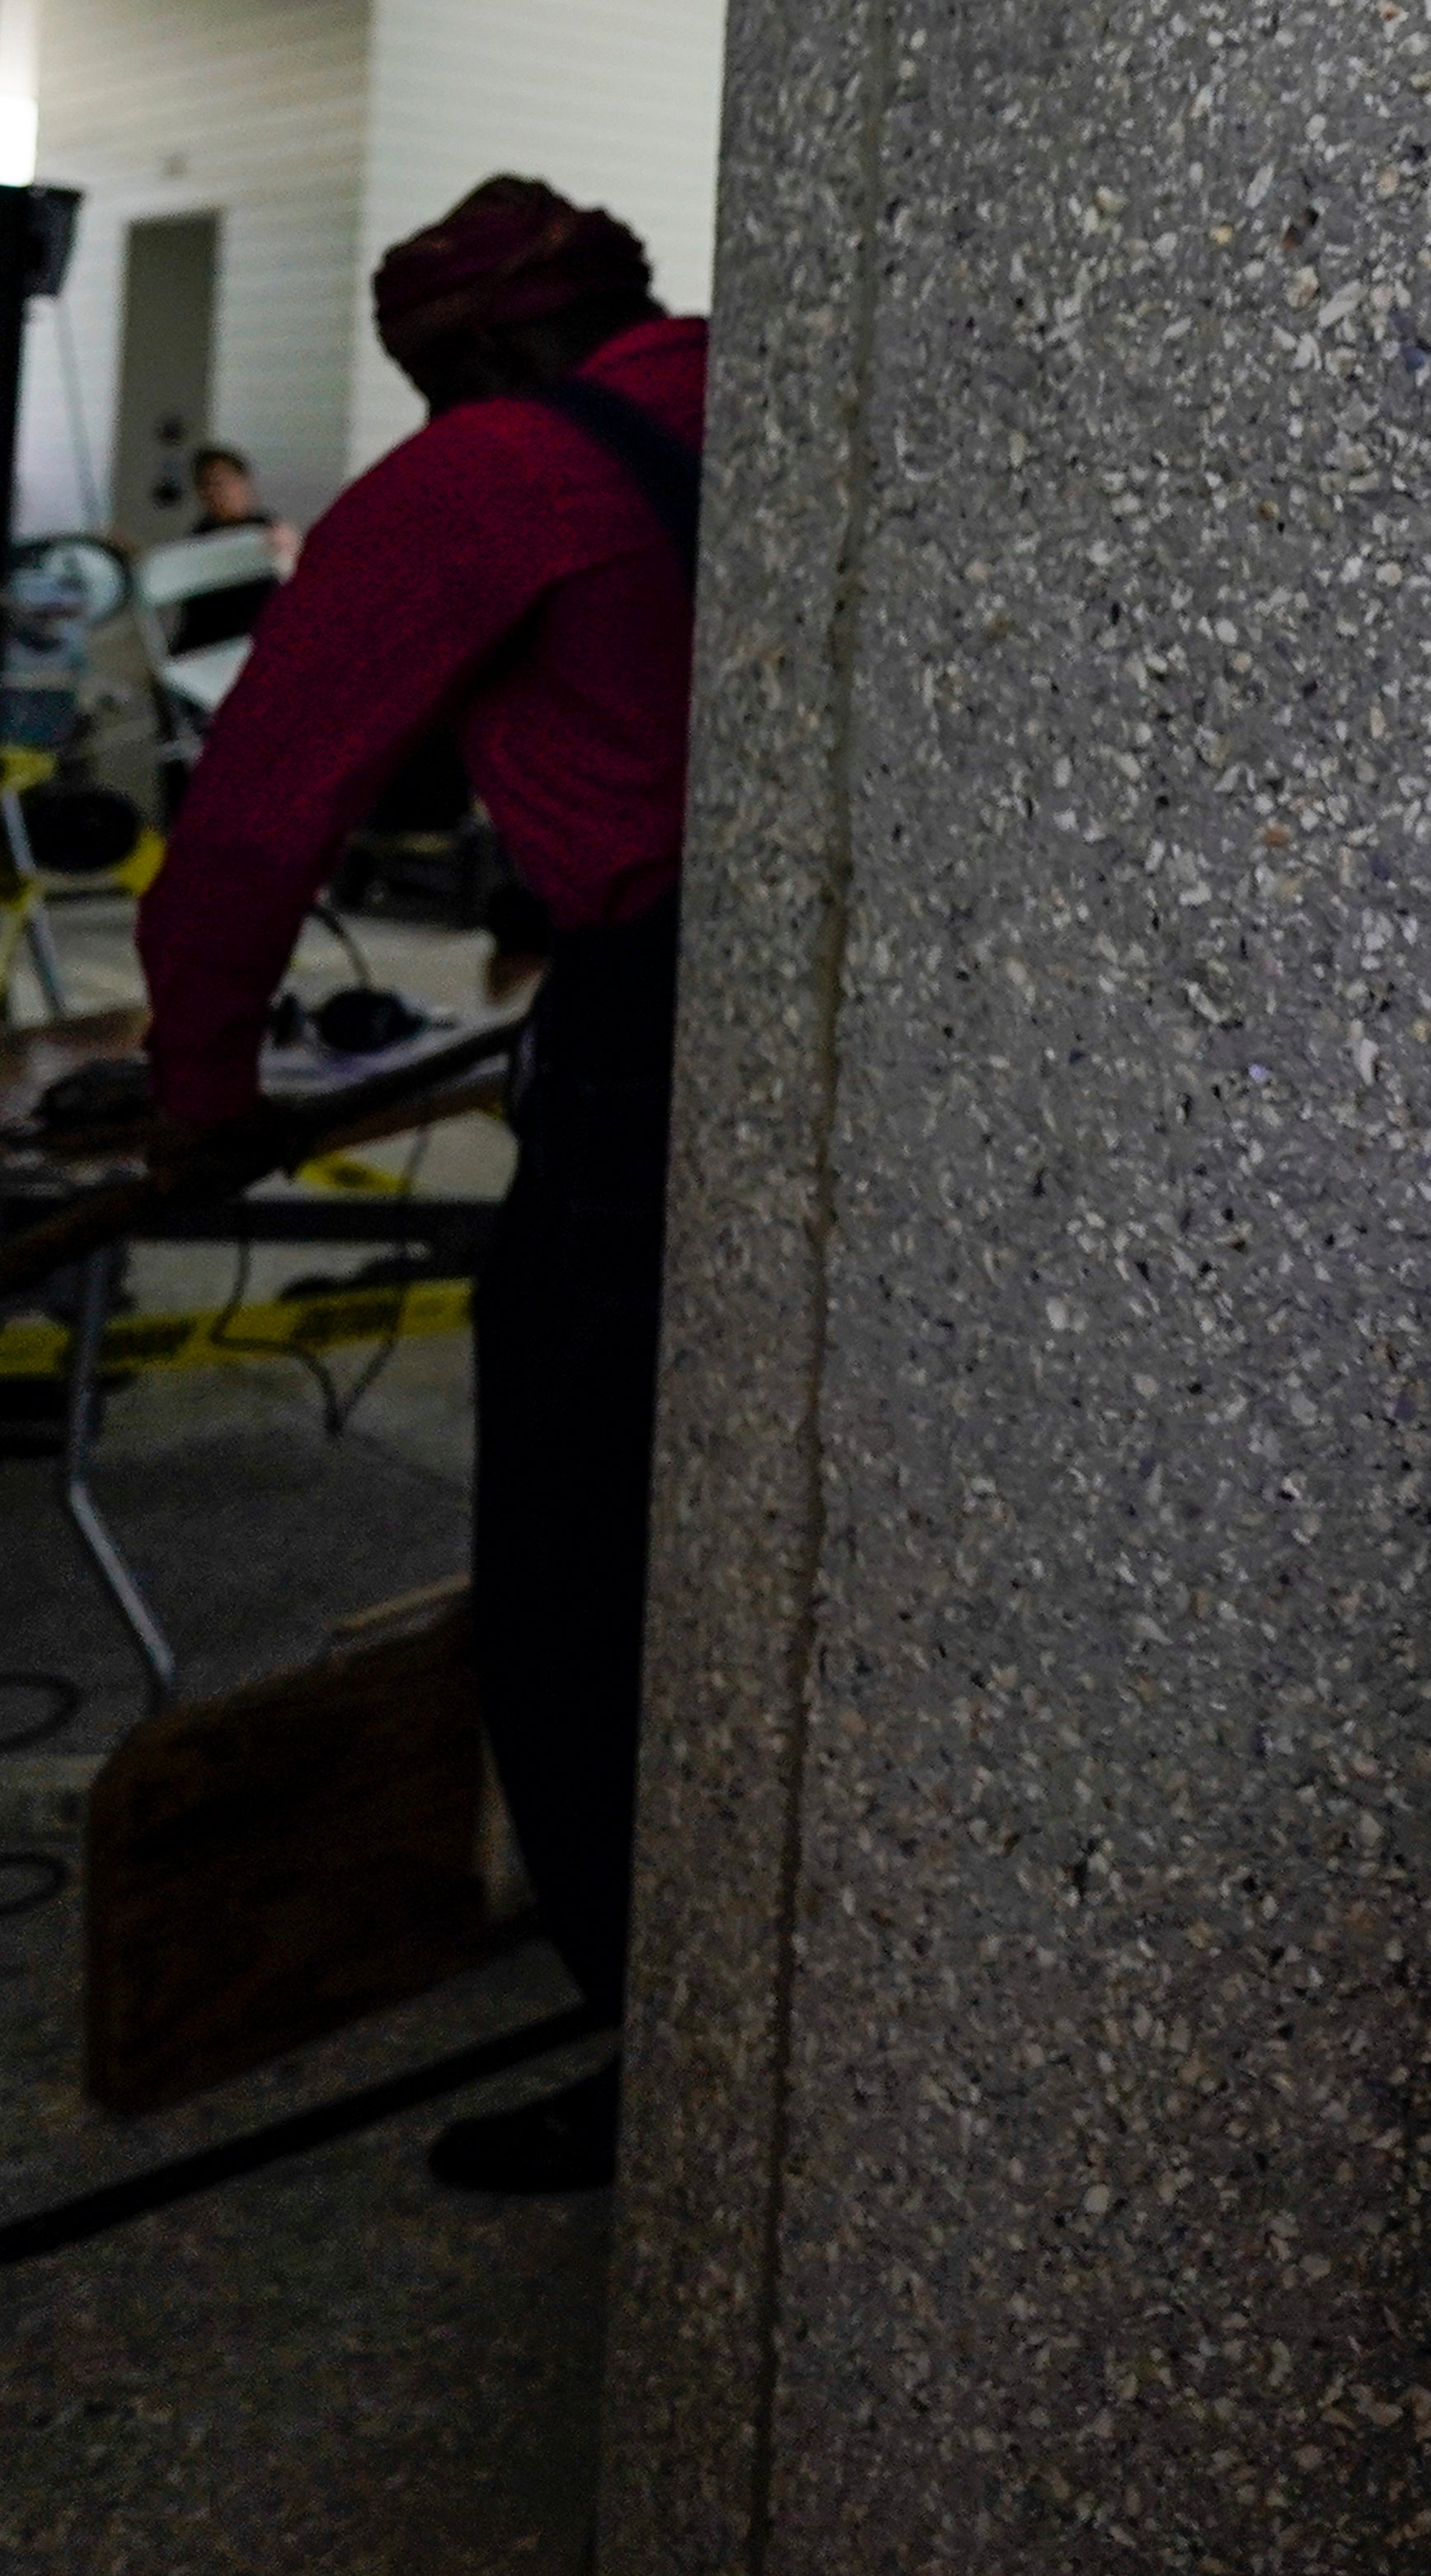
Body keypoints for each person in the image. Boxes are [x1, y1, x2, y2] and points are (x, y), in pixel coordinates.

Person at [135, 176, 702, 2198]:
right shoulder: (761, 391)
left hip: (648, 1034)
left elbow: (265, 804)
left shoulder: (484, 478)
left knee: (573, 1545)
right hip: (853, 1018)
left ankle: (663, 2049)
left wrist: (198, 1083)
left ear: (457, 356)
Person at [168, 444, 299, 651]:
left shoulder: (269, 528)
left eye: (221, 483)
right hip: (202, 642)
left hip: (254, 640)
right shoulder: (200, 534)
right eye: (204, 485)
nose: (212, 492)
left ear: (244, 483)